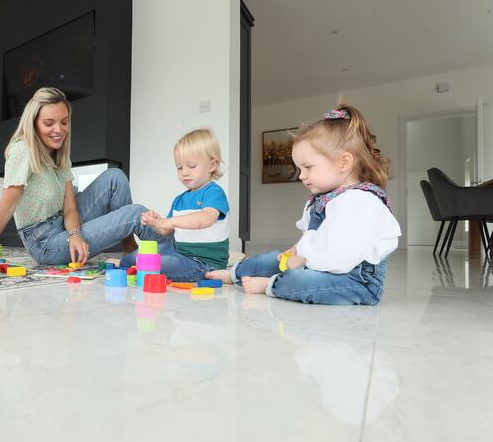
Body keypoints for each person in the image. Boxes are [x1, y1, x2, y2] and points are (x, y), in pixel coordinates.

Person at [206, 104, 401, 305]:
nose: (301, 175)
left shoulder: (361, 202)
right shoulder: (323, 199)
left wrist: (302, 260)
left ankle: (270, 285)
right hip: (319, 263)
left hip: (356, 281)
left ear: (344, 163)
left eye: (308, 167)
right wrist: (293, 251)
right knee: (273, 258)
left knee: (300, 279)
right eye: (300, 168)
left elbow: (339, 259)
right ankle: (235, 274)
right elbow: (312, 238)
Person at [0, 87, 155, 265]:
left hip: (62, 223)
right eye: (49, 123)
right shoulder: (23, 150)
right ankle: (169, 256)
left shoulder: (59, 155)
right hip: (43, 243)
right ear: (33, 122)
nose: (58, 130)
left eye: (64, 122)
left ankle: (130, 250)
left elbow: (70, 209)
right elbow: (5, 210)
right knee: (135, 213)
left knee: (115, 177)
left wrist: (75, 235)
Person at [117, 128, 230, 282]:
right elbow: (166, 230)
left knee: (153, 265)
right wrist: (156, 222)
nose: (184, 172)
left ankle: (133, 267)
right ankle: (123, 264)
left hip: (203, 263)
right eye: (179, 167)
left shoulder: (214, 192)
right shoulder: (179, 199)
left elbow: (205, 219)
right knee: (137, 257)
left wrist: (169, 221)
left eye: (191, 166)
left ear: (212, 166)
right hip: (177, 251)